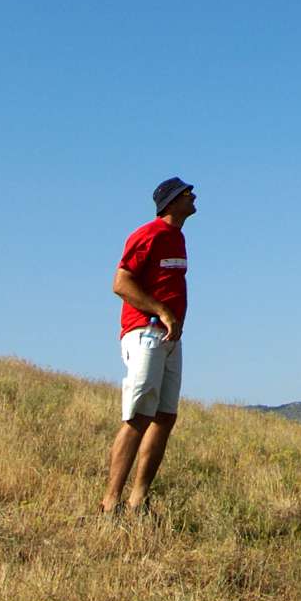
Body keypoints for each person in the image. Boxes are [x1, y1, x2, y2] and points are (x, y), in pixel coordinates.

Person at [100, 176, 196, 516]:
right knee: (139, 415)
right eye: (187, 193)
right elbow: (120, 282)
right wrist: (162, 312)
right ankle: (110, 503)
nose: (193, 196)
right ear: (171, 202)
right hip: (146, 333)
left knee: (165, 417)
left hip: (169, 338)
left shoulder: (179, 238)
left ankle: (138, 500)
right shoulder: (148, 235)